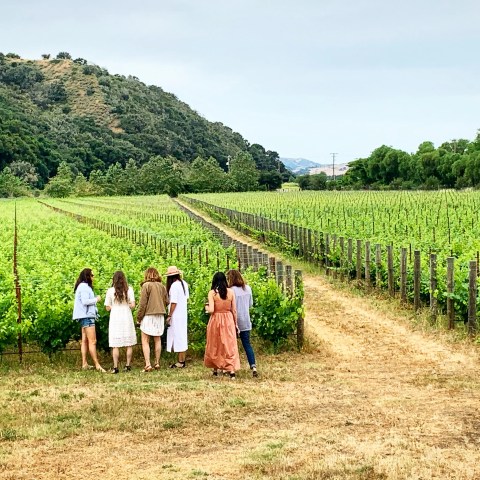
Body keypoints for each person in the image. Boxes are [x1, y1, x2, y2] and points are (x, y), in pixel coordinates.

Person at [204, 271, 240, 380]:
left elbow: (211, 310)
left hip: (216, 319)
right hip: (228, 319)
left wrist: (206, 307)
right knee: (229, 344)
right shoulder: (231, 292)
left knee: (215, 344)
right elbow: (233, 310)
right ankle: (231, 370)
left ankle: (215, 368)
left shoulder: (212, 293)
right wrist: (236, 324)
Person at [72, 268, 106, 372]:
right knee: (92, 341)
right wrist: (97, 299)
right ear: (88, 277)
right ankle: (97, 365)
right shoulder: (84, 287)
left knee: (85, 341)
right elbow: (85, 301)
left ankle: (84, 363)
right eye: (92, 275)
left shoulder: (81, 286)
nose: (93, 278)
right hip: (87, 316)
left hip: (84, 316)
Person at [227, 269, 258, 377]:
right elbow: (250, 304)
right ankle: (253, 366)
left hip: (233, 321)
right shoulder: (248, 288)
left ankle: (231, 368)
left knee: (231, 345)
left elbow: (229, 306)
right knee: (247, 344)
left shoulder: (231, 290)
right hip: (246, 320)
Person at [137, 267, 168, 372]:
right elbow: (166, 301)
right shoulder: (162, 286)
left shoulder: (146, 286)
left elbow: (142, 304)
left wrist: (139, 317)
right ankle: (157, 362)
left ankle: (148, 364)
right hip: (160, 315)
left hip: (148, 315)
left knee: (145, 340)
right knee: (157, 339)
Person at [104, 271, 136, 374]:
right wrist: (127, 304)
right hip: (126, 316)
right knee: (129, 343)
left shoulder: (110, 291)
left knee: (115, 344)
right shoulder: (129, 289)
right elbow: (133, 305)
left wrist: (114, 307)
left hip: (115, 317)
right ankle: (127, 365)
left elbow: (107, 307)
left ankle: (115, 366)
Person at [165, 266, 189, 368]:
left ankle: (180, 361)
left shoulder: (174, 286)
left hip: (176, 315)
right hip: (183, 314)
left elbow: (173, 302)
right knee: (182, 336)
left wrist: (170, 315)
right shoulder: (184, 284)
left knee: (178, 337)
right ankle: (182, 360)